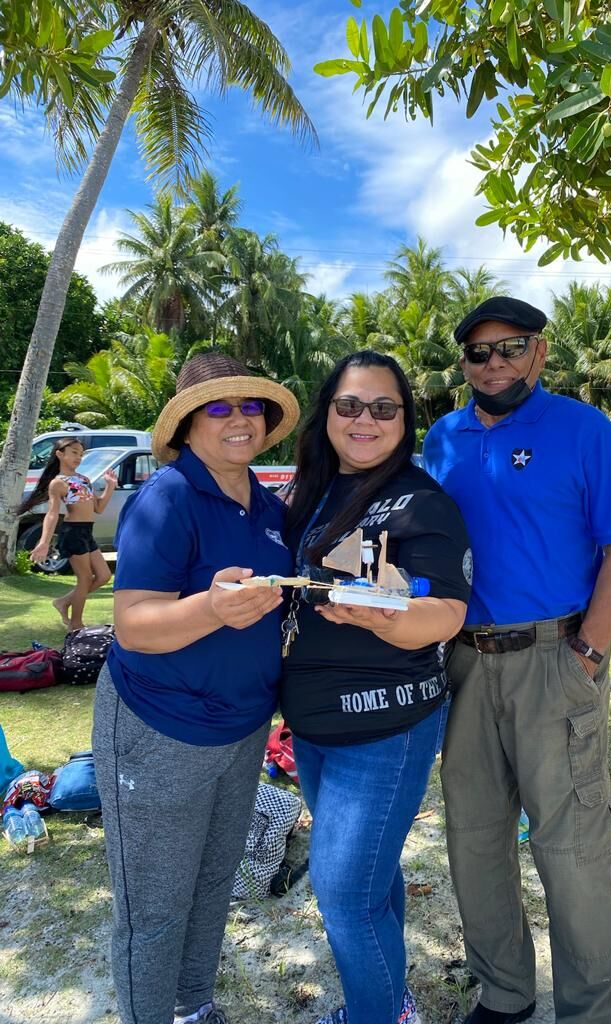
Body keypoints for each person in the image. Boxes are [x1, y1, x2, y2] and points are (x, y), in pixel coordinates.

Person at [423, 297, 611, 1024]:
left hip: (556, 656)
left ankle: (593, 1012)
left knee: (573, 848)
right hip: (462, 664)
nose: (494, 365)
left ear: (540, 353)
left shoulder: (582, 429)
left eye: (511, 348)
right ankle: (506, 994)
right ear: (464, 364)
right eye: (479, 354)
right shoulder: (443, 438)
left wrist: (588, 651)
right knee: (475, 843)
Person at [91, 352, 299, 1024]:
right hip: (159, 727)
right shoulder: (168, 496)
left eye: (250, 406)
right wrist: (210, 608)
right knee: (154, 907)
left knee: (212, 885)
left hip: (241, 731)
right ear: (186, 423)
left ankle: (194, 1008)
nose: (237, 419)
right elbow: (133, 625)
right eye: (217, 406)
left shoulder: (269, 506)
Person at [281, 350, 471, 1024]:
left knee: (340, 895)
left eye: (384, 407)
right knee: (371, 880)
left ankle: (378, 1015)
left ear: (405, 420)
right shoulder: (310, 490)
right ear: (327, 412)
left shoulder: (423, 502)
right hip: (312, 726)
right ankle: (393, 1001)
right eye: (350, 405)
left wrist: (382, 615)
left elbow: (444, 611)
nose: (366, 419)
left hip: (385, 728)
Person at [18, 438, 117, 628]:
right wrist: (44, 542)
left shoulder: (83, 479)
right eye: (74, 452)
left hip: (87, 532)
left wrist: (110, 486)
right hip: (72, 532)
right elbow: (52, 514)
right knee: (85, 579)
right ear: (60, 454)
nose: (78, 457)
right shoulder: (58, 483)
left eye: (81, 454)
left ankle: (63, 602)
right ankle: (76, 624)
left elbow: (99, 508)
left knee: (104, 576)